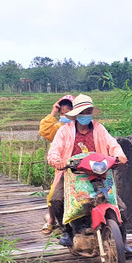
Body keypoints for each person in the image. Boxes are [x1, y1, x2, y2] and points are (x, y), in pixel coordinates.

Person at [46, 94, 132, 255]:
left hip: (98, 172)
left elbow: (112, 143)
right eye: (83, 111)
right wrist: (57, 161)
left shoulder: (99, 128)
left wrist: (119, 156)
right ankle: (68, 231)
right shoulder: (65, 131)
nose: (86, 114)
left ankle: (122, 243)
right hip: (72, 173)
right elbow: (54, 150)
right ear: (76, 113)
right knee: (56, 199)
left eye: (89, 111)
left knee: (120, 207)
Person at [39, 95, 75, 234]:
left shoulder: (82, 127)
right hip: (63, 169)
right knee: (53, 195)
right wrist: (52, 112)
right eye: (61, 113)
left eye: (66, 113)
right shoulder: (59, 128)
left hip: (81, 168)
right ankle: (52, 220)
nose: (63, 116)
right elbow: (45, 131)